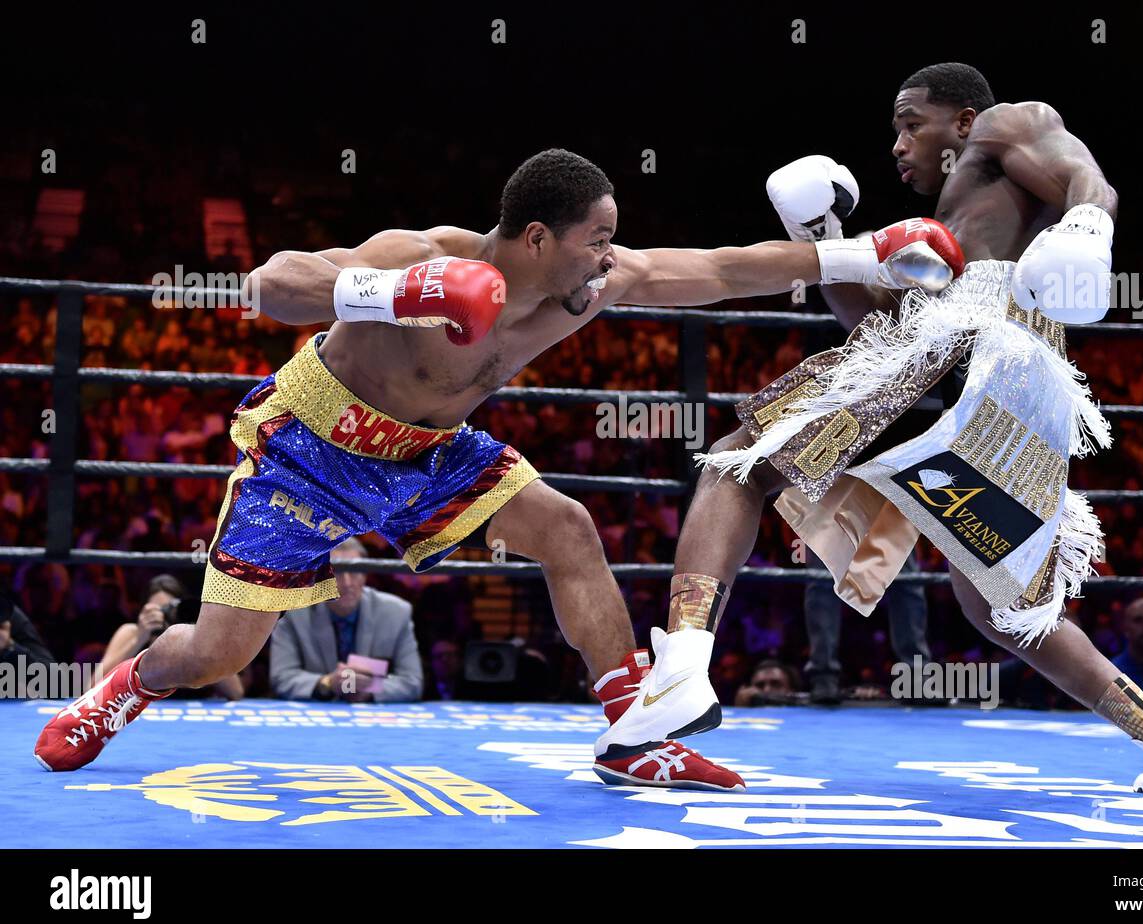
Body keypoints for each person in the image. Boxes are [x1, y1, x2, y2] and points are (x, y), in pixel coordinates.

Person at [35, 148, 944, 790]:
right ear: (539, 238)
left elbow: (713, 268)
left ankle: (634, 733)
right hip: (310, 448)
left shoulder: (592, 284)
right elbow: (268, 285)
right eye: (596, 238)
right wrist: (399, 294)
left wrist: (859, 252)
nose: (609, 257)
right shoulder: (423, 256)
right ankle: (125, 688)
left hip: (432, 455)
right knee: (217, 651)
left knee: (567, 528)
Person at [604, 64, 1143, 803]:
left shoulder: (1007, 124)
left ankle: (681, 664)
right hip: (1007, 376)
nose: (899, 145)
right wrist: (824, 235)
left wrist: (1089, 226)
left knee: (740, 462)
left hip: (971, 342)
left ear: (964, 121)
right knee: (1001, 605)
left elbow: (1088, 179)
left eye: (912, 123)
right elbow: (876, 325)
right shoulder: (954, 224)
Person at [269, 539, 424, 702]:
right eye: (337, 572)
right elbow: (281, 677)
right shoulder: (293, 613)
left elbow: (412, 682)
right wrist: (327, 683)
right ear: (320, 576)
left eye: (355, 572)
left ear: (365, 575)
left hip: (371, 717)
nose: (347, 583)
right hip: (317, 713)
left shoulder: (396, 612)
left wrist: (370, 688)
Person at [99, 574, 242, 700]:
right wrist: (140, 639)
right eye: (157, 610)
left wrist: (191, 638)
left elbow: (235, 692)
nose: (163, 615)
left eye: (169, 608)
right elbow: (95, 687)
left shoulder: (194, 638)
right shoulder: (131, 633)